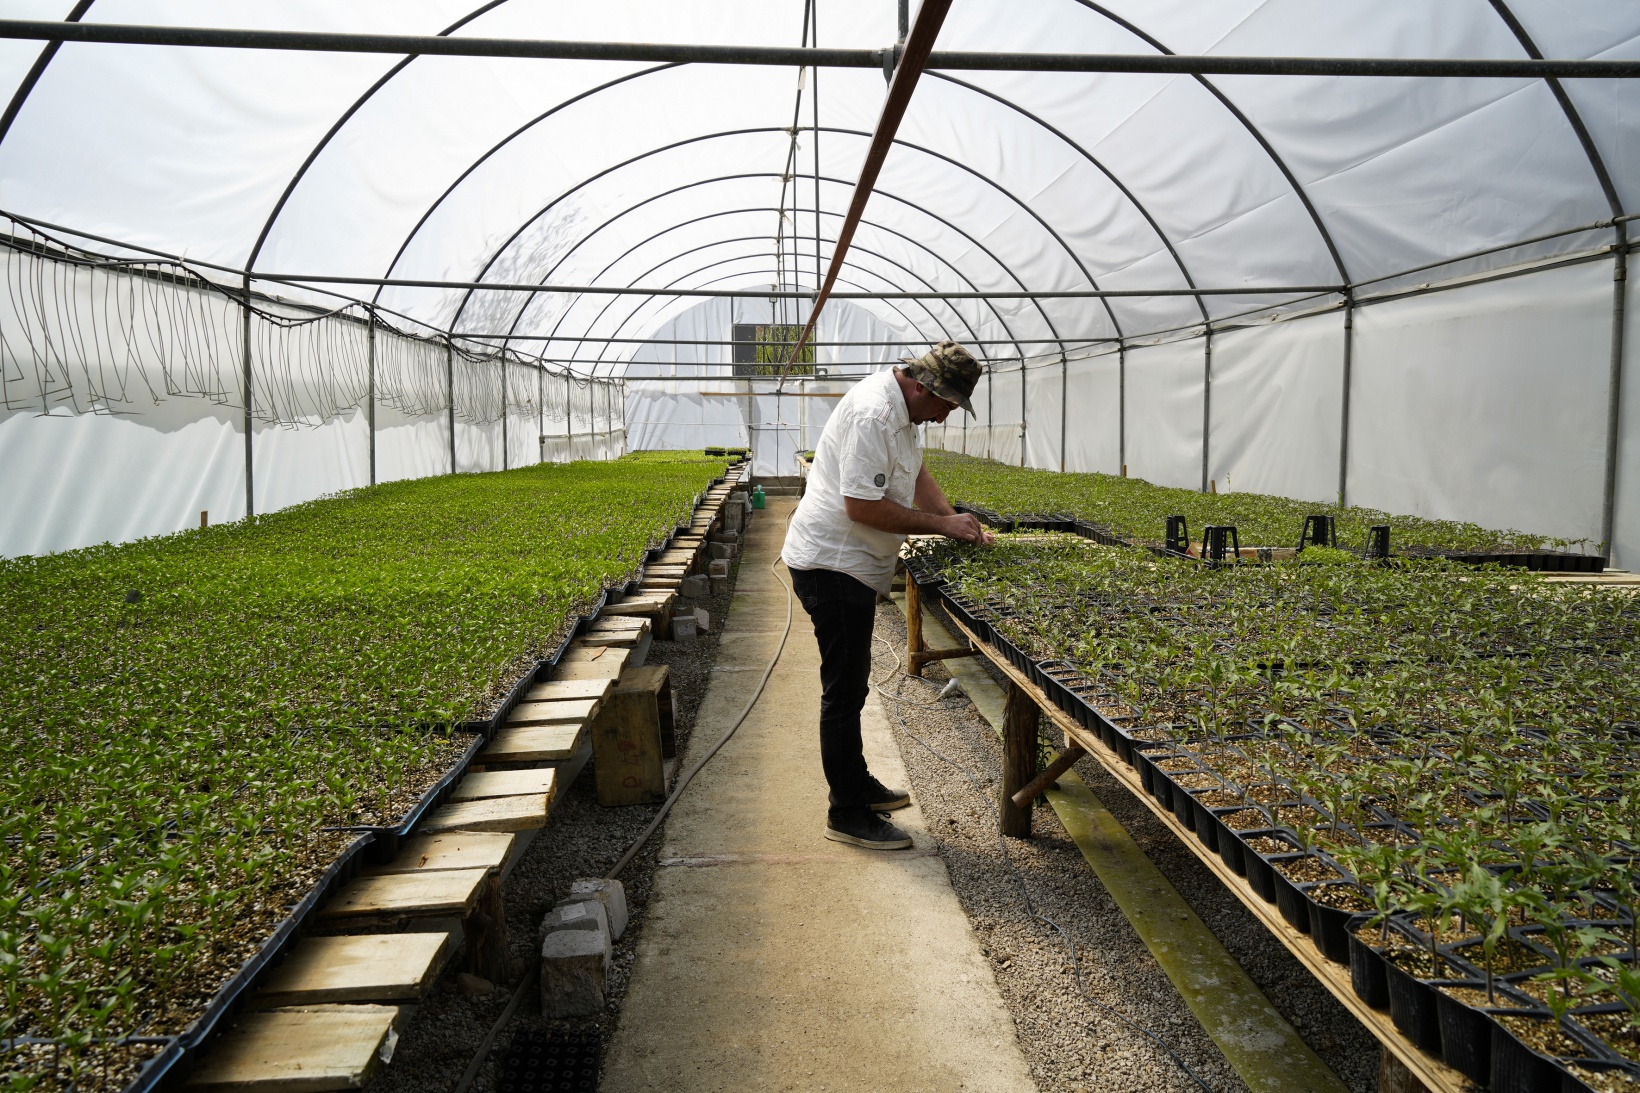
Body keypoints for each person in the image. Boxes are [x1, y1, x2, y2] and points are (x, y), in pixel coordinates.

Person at [781, 341, 995, 850]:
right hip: (832, 565)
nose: (944, 418)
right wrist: (941, 524)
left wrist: (953, 525)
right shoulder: (875, 414)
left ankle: (859, 788)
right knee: (844, 692)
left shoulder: (904, 415)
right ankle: (847, 814)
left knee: (851, 687)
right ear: (924, 387)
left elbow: (916, 473)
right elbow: (862, 508)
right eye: (945, 405)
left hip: (852, 564)